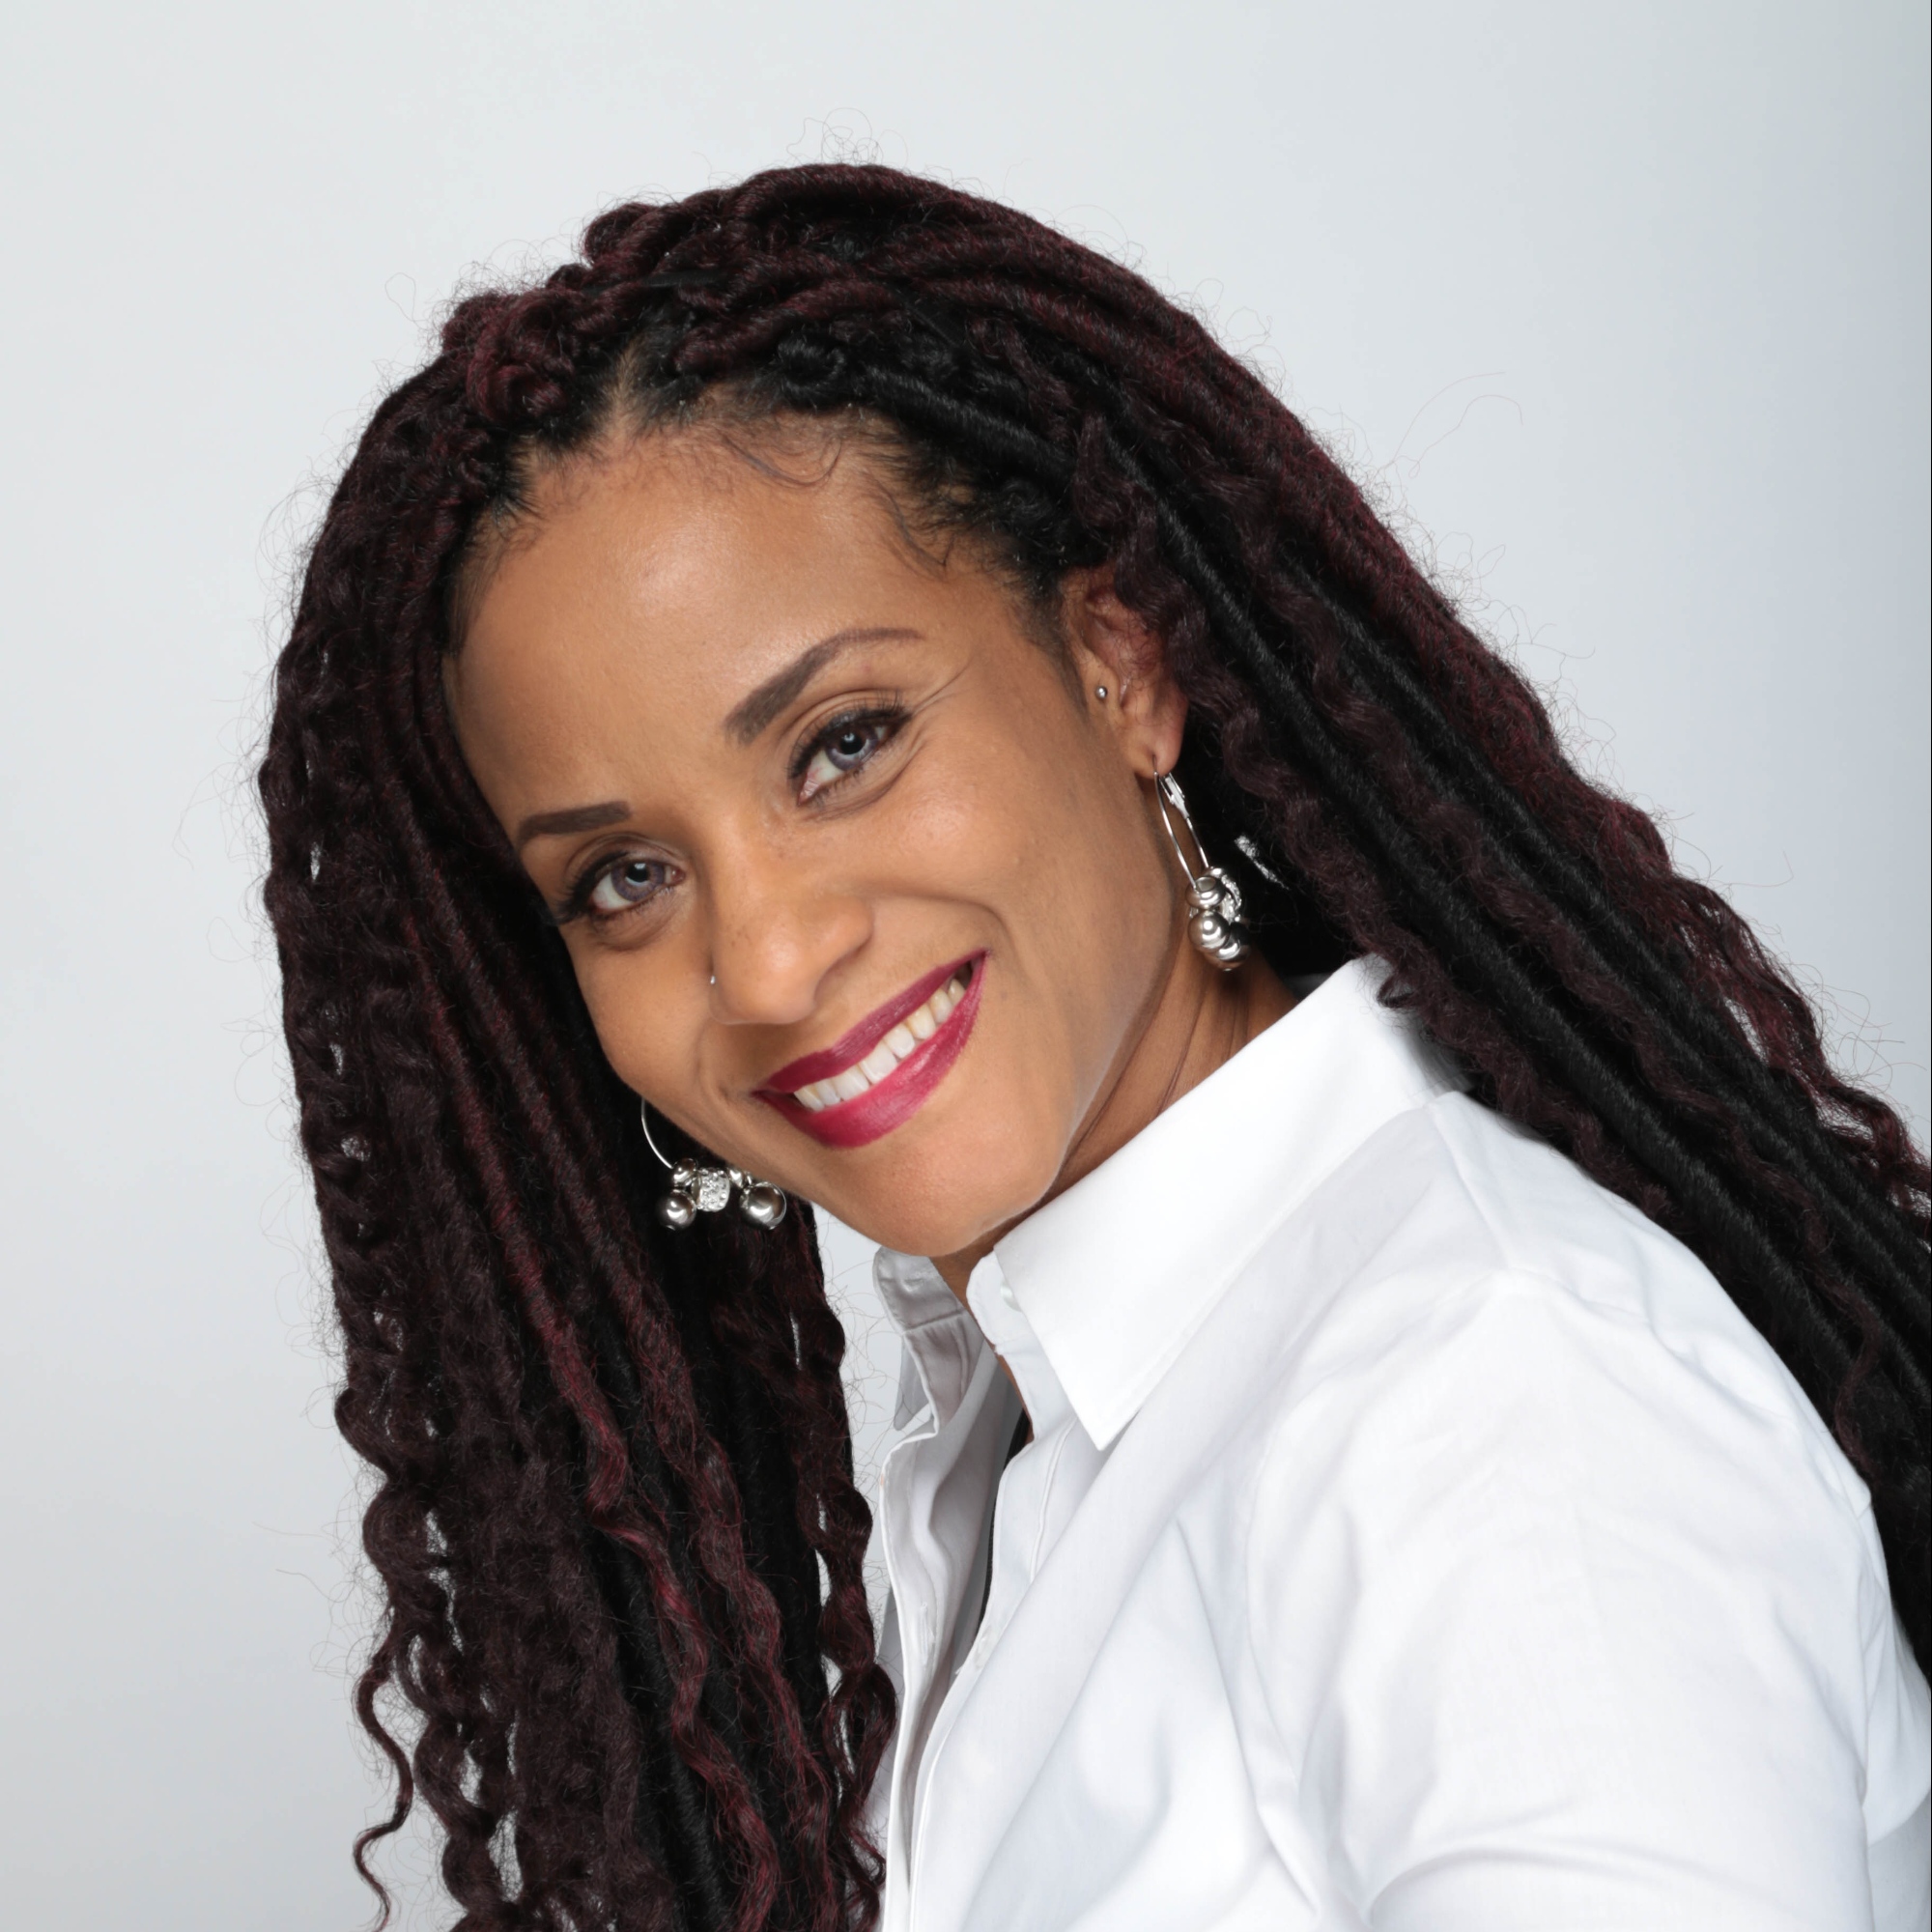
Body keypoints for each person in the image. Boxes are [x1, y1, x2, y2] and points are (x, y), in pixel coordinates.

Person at [261, 164, 1930, 1931]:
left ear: (1121, 661)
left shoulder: (1494, 1409)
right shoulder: (1025, 1433)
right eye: (625, 877)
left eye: (845, 744)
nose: (767, 960)